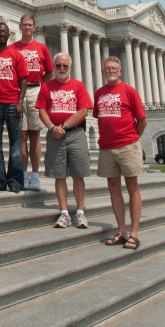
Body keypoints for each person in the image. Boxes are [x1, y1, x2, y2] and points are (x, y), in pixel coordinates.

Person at [94, 56, 147, 250]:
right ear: (102, 71)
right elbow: (101, 119)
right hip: (107, 147)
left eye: (114, 68)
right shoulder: (99, 93)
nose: (110, 71)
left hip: (127, 145)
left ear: (120, 71)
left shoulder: (129, 91)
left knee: (132, 187)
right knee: (113, 187)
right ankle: (121, 231)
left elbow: (142, 120)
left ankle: (134, 233)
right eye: (107, 68)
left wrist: (132, 139)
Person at [37, 52, 92, 227]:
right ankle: (64, 213)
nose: (61, 68)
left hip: (75, 133)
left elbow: (84, 111)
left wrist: (64, 126)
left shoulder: (78, 86)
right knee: (59, 175)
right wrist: (52, 128)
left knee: (78, 174)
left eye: (65, 66)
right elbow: (42, 110)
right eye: (58, 65)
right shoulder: (46, 86)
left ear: (70, 67)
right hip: (55, 135)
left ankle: (80, 212)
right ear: (54, 67)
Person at [10, 14, 53, 191]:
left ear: (34, 28)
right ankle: (24, 174)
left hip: (35, 89)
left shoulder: (41, 48)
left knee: (35, 134)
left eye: (30, 25)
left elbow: (49, 72)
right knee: (22, 135)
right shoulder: (13, 47)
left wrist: (40, 86)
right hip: (18, 91)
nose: (27, 28)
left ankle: (35, 175)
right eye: (24, 25)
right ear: (20, 27)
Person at [0, 22, 28, 192]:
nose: (1, 34)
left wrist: (20, 102)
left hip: (12, 102)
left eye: (4, 31)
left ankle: (15, 181)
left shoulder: (16, 54)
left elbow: (24, 79)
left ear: (9, 35)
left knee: (16, 144)